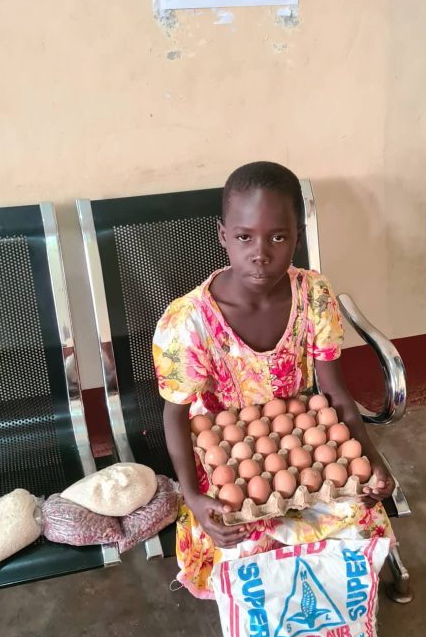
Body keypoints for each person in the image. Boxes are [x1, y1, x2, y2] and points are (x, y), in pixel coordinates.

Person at [152, 161, 395, 598]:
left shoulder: (313, 295)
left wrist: (371, 457)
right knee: (242, 542)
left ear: (297, 238)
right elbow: (175, 416)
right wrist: (191, 496)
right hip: (225, 456)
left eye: (277, 237)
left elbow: (334, 391)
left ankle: (321, 611)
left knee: (363, 518)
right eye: (244, 237)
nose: (260, 253)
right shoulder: (188, 322)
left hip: (303, 438)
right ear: (223, 236)